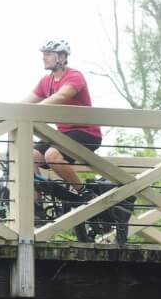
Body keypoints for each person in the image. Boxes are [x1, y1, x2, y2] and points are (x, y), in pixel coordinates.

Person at [23, 39, 102, 195]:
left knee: (52, 155)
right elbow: (26, 102)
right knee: (28, 155)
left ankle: (84, 192)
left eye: (48, 54)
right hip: (64, 133)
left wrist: (35, 111)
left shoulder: (74, 76)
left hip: (86, 132)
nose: (44, 58)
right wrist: (8, 112)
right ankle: (37, 207)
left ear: (61, 57)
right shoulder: (46, 81)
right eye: (43, 54)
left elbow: (61, 96)